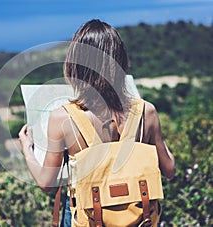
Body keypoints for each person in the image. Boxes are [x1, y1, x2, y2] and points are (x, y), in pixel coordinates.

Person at [19, 19, 176, 226]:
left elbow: (47, 183)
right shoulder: (146, 111)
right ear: (120, 62)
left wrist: (27, 150)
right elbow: (169, 170)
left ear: (76, 64)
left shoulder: (62, 118)